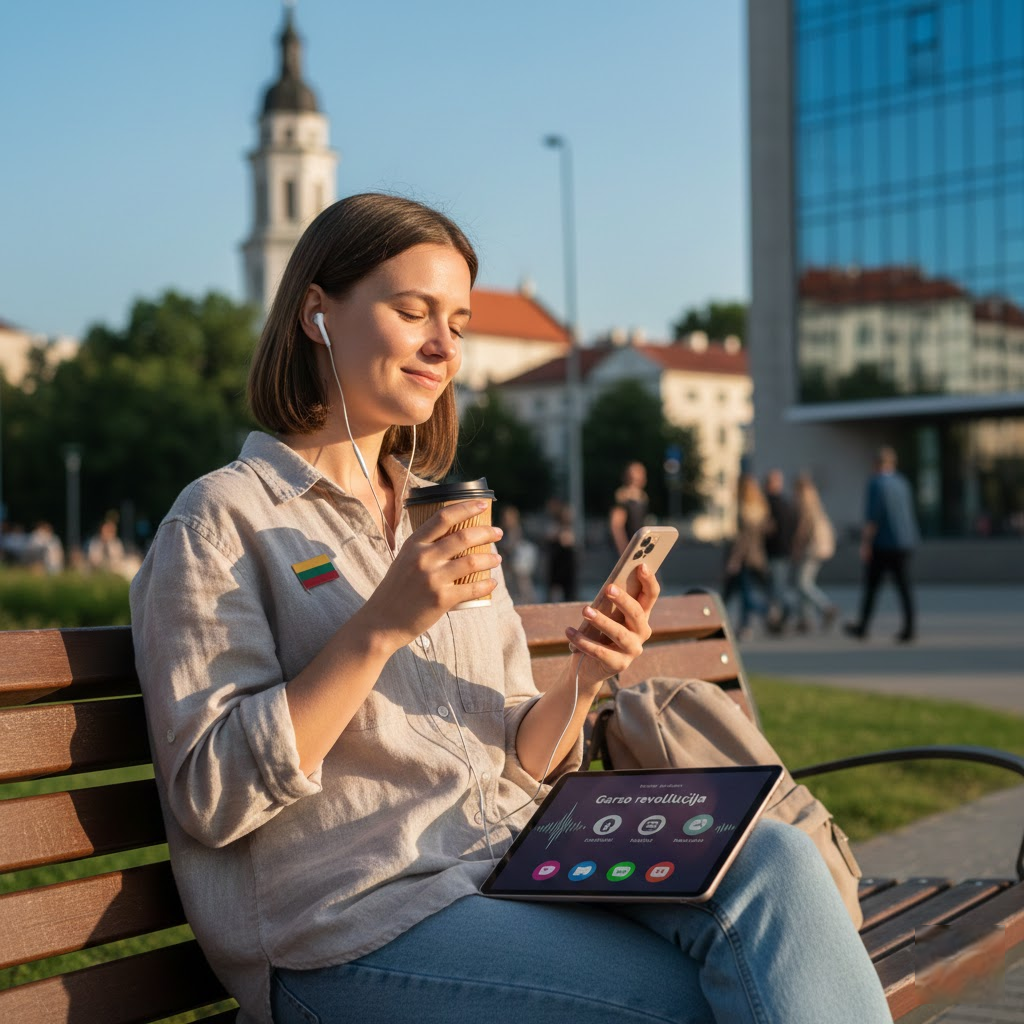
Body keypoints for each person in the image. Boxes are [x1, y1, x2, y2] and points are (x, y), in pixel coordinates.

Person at [130, 194, 892, 1024]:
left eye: (455, 321)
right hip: (354, 922)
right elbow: (212, 794)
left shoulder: (440, 512)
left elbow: (516, 763)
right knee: (705, 1001)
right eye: (412, 311)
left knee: (775, 863)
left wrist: (585, 677)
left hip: (510, 856)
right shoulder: (223, 521)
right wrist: (381, 626)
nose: (442, 346)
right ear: (318, 313)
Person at [845, 446, 920, 643]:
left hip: (883, 543)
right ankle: (909, 627)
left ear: (877, 464)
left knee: (871, 586)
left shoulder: (876, 484)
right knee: (904, 586)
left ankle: (863, 627)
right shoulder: (902, 483)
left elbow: (873, 517)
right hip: (904, 541)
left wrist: (866, 543)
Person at [722, 474, 772, 640]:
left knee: (743, 595)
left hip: (744, 558)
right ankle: (745, 624)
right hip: (757, 556)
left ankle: (764, 612)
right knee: (743, 592)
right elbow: (769, 529)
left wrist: (734, 560)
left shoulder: (743, 511)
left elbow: (742, 540)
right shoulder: (760, 508)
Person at [790, 475, 839, 632]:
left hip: (810, 549)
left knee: (803, 584)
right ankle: (805, 619)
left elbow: (802, 529)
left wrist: (796, 546)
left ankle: (826, 607)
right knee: (805, 582)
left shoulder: (804, 503)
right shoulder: (816, 503)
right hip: (819, 548)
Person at [762, 468, 797, 633]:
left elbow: (768, 529)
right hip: (783, 550)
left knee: (777, 589)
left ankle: (787, 611)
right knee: (776, 587)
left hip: (775, 551)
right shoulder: (785, 503)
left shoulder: (769, 503)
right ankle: (775, 621)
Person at [496, 504, 538, 604]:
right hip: (508, 567)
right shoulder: (503, 530)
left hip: (517, 565)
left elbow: (511, 545)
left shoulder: (516, 530)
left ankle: (527, 604)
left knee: (522, 587)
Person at [609, 460, 649, 554]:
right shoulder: (622, 497)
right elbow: (616, 526)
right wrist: (624, 551)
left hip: (638, 547)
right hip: (627, 548)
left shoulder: (643, 497)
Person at [543, 497, 577, 601]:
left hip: (566, 564)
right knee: (554, 590)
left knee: (568, 591)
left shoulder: (569, 529)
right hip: (557, 563)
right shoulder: (555, 527)